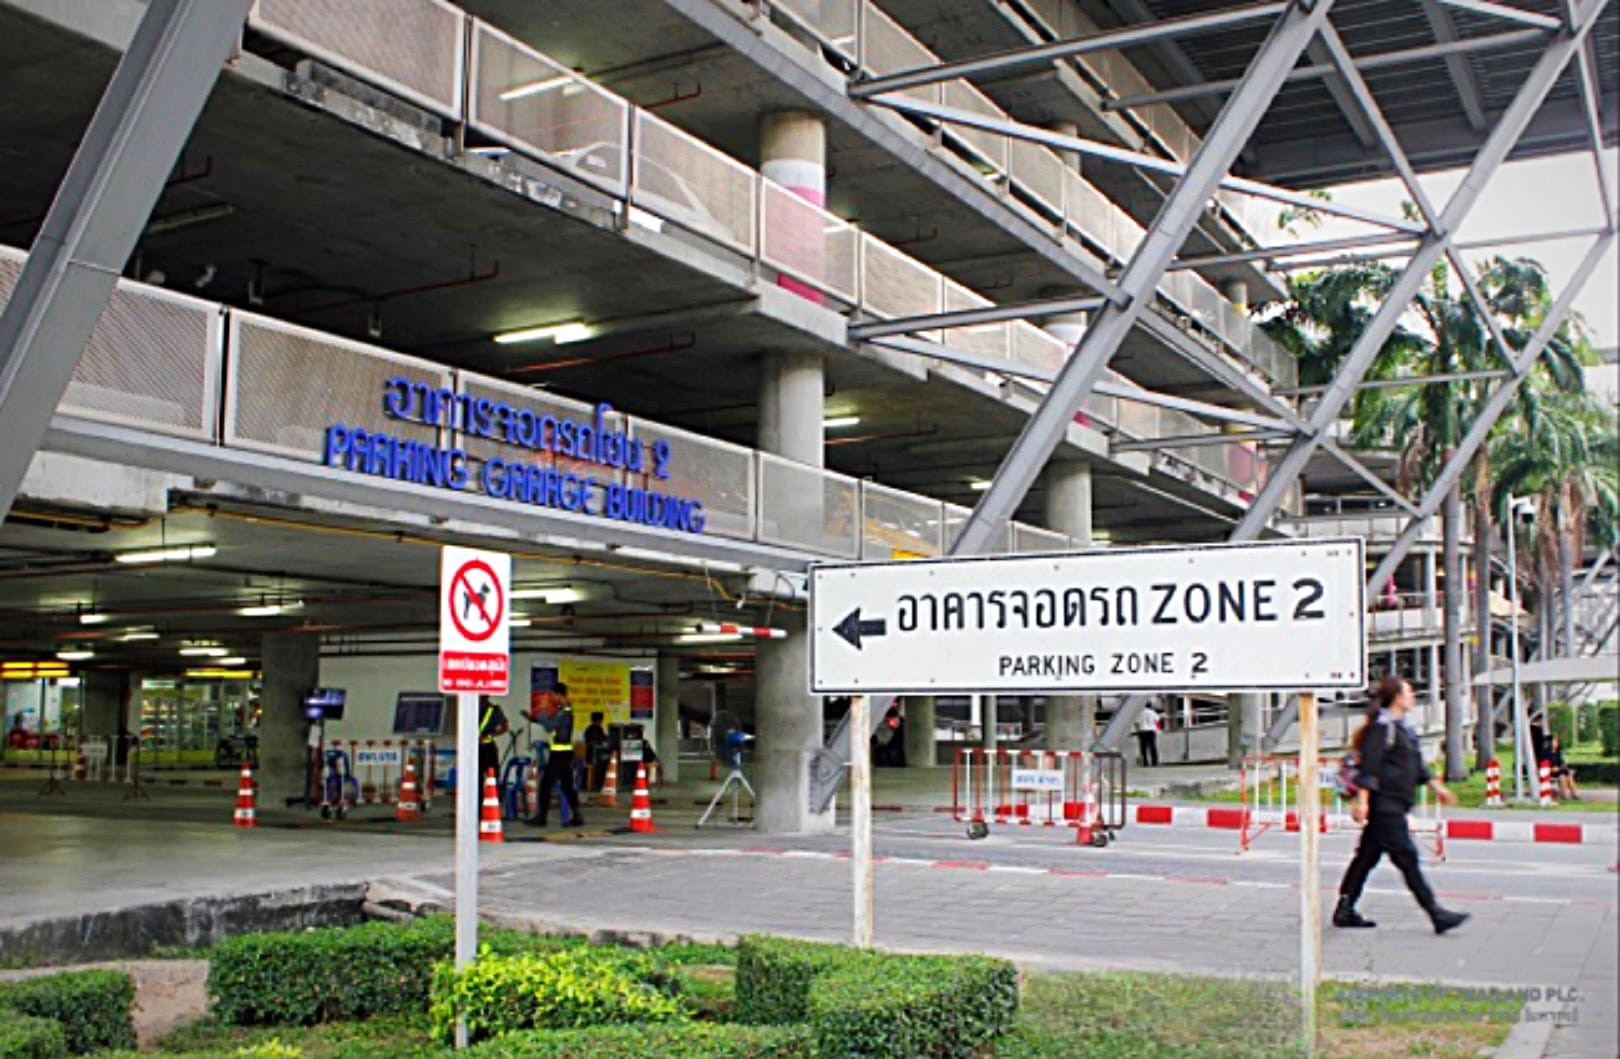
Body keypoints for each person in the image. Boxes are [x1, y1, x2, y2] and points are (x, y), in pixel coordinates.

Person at [1334, 676, 1469, 935]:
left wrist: (1437, 788)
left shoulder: (1403, 728)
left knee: (1366, 857)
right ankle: (1436, 913)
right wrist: (1362, 801)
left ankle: (1345, 908)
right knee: (1407, 858)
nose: (1412, 696)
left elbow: (1416, 765)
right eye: (1408, 692)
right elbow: (1370, 768)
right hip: (1386, 806)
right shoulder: (1381, 728)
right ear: (1397, 698)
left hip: (1394, 805)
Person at [528, 683, 583, 828]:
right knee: (567, 786)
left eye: (551, 695)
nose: (550, 697)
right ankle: (577, 816)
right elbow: (552, 723)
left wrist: (541, 711)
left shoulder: (565, 711)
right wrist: (534, 719)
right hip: (561, 753)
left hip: (560, 755)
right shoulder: (562, 710)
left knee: (545, 785)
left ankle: (541, 818)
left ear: (558, 695)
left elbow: (550, 726)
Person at [476, 696, 509, 788]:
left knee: (491, 774)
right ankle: (479, 795)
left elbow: (505, 727)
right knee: (477, 775)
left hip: (487, 747)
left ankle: (493, 793)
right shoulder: (470, 708)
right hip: (474, 747)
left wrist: (490, 735)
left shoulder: (494, 709)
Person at [582, 711, 609, 792]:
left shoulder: (589, 729)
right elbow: (600, 740)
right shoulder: (596, 729)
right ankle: (597, 784)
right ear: (600, 720)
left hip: (591, 755)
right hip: (593, 755)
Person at [1547, 734, 1579, 801]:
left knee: (1569, 775)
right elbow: (1546, 766)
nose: (1556, 743)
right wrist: (1552, 769)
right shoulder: (1547, 754)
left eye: (1557, 742)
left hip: (1559, 770)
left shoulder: (1559, 753)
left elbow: (1563, 763)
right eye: (1554, 741)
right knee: (1562, 776)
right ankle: (1564, 795)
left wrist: (1565, 765)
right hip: (1552, 771)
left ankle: (1574, 794)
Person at [1133, 703, 1161, 768]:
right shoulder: (1152, 712)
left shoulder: (1139, 713)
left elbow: (1136, 723)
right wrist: (1158, 729)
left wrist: (1137, 730)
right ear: (1150, 706)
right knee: (1152, 746)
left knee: (1143, 747)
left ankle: (1145, 762)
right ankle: (1154, 762)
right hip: (1151, 731)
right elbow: (1157, 720)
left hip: (1142, 731)